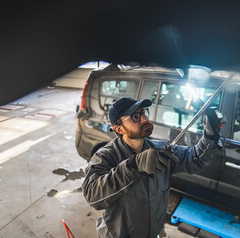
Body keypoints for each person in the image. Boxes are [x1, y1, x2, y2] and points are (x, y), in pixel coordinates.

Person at [82, 97, 224, 238]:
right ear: (119, 129)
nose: (144, 119)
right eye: (136, 117)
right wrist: (134, 166)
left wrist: (210, 135)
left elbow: (195, 159)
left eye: (143, 113)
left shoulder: (161, 150)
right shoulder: (106, 156)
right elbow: (92, 196)